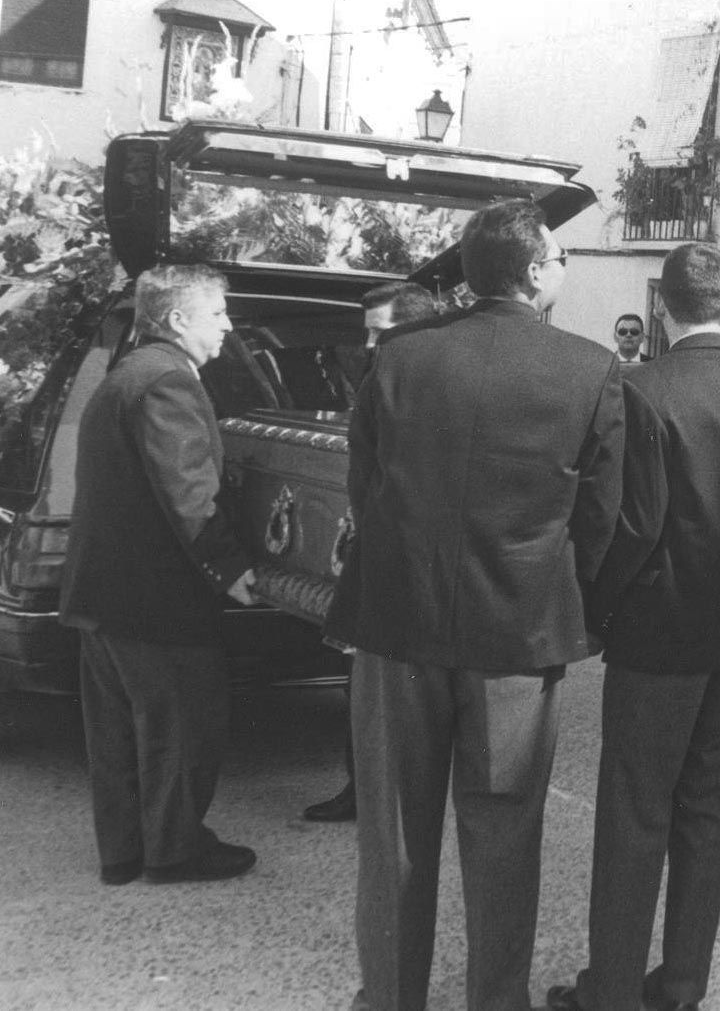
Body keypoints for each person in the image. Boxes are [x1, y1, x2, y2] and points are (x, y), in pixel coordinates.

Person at [327, 200, 634, 1011]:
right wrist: (579, 611)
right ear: (534, 272)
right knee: (503, 836)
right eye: (560, 257)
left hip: (398, 624)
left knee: (393, 832)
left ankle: (392, 999)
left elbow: (366, 484)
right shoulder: (591, 367)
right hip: (518, 636)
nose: (564, 269)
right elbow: (602, 518)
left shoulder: (399, 358)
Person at [551, 244, 720, 1011]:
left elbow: (632, 521)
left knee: (635, 811)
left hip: (661, 630)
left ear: (662, 306)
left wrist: (592, 611)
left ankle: (610, 991)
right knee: (709, 808)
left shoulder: (639, 388)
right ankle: (682, 982)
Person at [60, 264, 258, 886]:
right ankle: (175, 853)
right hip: (156, 600)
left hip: (103, 596)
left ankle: (122, 854)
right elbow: (189, 491)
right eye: (218, 312)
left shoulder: (126, 373)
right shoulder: (169, 381)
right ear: (178, 320)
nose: (228, 325)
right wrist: (231, 569)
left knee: (117, 736)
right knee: (180, 724)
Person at [302, 281, 442, 825]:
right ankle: (362, 789)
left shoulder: (424, 380)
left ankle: (384, 795)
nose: (367, 343)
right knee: (366, 684)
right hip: (381, 551)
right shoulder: (380, 374)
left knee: (396, 689)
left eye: (378, 331)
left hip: (409, 556)